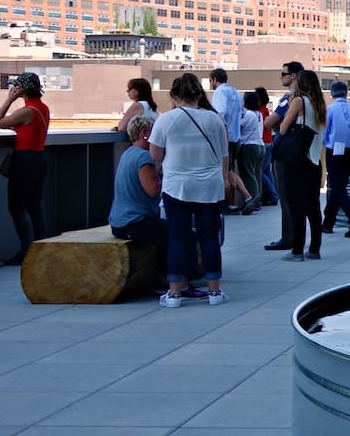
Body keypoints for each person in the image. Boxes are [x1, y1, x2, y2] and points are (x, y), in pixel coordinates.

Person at [149, 72, 229, 306]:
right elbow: (224, 154)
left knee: (178, 239)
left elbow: (155, 154)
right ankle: (214, 292)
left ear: (174, 96)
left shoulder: (165, 120)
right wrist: (225, 178)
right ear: (199, 94)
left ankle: (174, 293)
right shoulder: (214, 120)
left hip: (177, 186)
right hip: (210, 186)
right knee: (209, 238)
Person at [0, 71, 51, 266]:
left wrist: (9, 100)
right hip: (38, 158)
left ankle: (27, 252)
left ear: (21, 90)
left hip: (24, 160)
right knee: (34, 207)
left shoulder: (27, 111)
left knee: (16, 207)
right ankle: (41, 251)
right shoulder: (42, 108)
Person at [108, 114, 167, 285]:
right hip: (134, 223)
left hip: (119, 223)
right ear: (145, 133)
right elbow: (153, 189)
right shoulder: (143, 157)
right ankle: (165, 279)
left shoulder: (128, 154)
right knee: (175, 234)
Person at [278, 69, 327, 262]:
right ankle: (314, 249)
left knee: (296, 206)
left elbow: (283, 128)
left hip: (299, 161)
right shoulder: (319, 104)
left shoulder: (299, 101)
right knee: (313, 208)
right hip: (315, 161)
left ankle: (297, 250)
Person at [263, 62, 303, 251]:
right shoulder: (308, 98)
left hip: (285, 151)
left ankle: (289, 238)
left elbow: (270, 122)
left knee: (285, 196)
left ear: (293, 76)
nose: (281, 77)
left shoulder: (289, 99)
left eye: (283, 73)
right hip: (300, 151)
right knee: (297, 197)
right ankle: (295, 237)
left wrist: (274, 122)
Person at [321, 80, 350, 238]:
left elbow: (324, 133)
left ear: (332, 94)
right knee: (339, 186)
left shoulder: (329, 110)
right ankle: (328, 223)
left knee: (337, 187)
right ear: (346, 93)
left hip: (334, 150)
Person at [236, 92, 266, 214]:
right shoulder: (259, 114)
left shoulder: (248, 114)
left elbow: (238, 126)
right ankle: (258, 200)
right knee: (257, 174)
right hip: (260, 145)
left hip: (249, 146)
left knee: (248, 175)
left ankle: (252, 200)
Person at [209, 68, 243, 167]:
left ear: (215, 79)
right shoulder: (235, 91)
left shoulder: (219, 92)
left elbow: (219, 113)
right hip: (236, 138)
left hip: (224, 139)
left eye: (210, 80)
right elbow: (242, 113)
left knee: (224, 171)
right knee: (230, 169)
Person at [254, 86, 279, 205]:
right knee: (267, 171)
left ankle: (273, 195)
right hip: (269, 141)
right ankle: (273, 194)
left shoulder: (259, 112)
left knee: (261, 172)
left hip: (263, 142)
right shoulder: (265, 110)